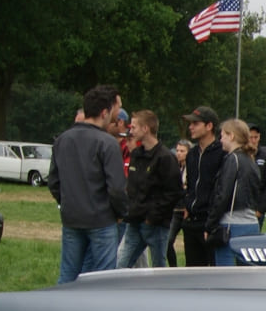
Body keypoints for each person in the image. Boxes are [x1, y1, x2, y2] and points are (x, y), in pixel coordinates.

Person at [46, 85, 128, 283]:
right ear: (104, 112)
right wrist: (120, 213)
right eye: (115, 110)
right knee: (101, 278)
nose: (116, 116)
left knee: (68, 274)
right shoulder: (107, 143)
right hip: (102, 220)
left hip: (71, 218)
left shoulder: (62, 140)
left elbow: (54, 182)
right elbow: (116, 189)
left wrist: (67, 203)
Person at [116, 110, 181, 268]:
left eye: (134, 127)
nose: (130, 131)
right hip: (134, 221)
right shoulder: (136, 155)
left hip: (156, 225)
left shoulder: (165, 158)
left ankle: (159, 292)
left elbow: (173, 192)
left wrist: (153, 217)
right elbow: (132, 186)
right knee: (121, 264)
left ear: (145, 129)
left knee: (158, 266)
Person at [208, 118, 264, 265]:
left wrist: (211, 224)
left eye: (222, 136)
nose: (220, 140)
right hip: (251, 223)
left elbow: (223, 195)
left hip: (231, 225)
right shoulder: (251, 160)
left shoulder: (233, 159)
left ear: (231, 136)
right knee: (246, 275)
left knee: (226, 274)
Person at [179, 106, 225, 266]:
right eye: (190, 123)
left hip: (210, 222)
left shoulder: (222, 153)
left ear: (209, 126)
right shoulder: (191, 154)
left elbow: (221, 190)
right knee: (192, 271)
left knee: (212, 270)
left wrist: (213, 219)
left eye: (195, 123)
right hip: (191, 221)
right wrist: (187, 205)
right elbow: (191, 184)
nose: (190, 127)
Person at [165, 138, 191, 267]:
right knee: (168, 241)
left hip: (188, 211)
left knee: (190, 246)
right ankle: (173, 267)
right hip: (175, 211)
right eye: (178, 150)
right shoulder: (173, 167)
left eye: (182, 151)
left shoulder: (192, 169)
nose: (179, 153)